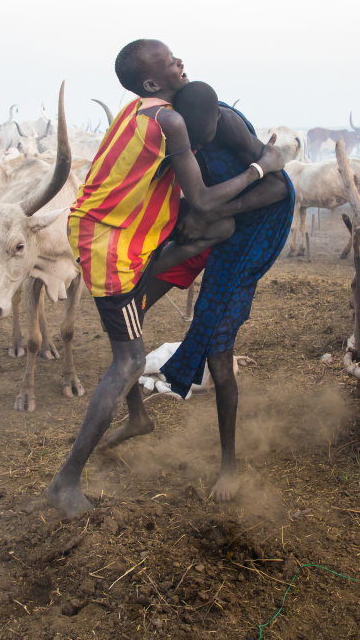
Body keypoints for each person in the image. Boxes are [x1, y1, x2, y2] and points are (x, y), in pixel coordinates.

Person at [48, 40, 285, 517]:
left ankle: (138, 418)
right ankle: (65, 481)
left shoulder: (146, 111)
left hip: (136, 231)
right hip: (112, 244)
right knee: (130, 359)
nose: (180, 61)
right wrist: (261, 167)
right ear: (153, 83)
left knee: (213, 234)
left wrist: (209, 219)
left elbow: (227, 208)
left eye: (176, 55)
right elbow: (199, 199)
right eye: (169, 60)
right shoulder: (171, 120)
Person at [98, 81, 295, 502]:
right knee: (126, 308)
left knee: (217, 345)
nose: (198, 146)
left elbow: (279, 186)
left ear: (218, 123)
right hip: (200, 229)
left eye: (204, 139)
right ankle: (137, 417)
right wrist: (199, 222)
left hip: (249, 233)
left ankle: (229, 466)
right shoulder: (165, 127)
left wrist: (215, 213)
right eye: (193, 141)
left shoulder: (229, 126)